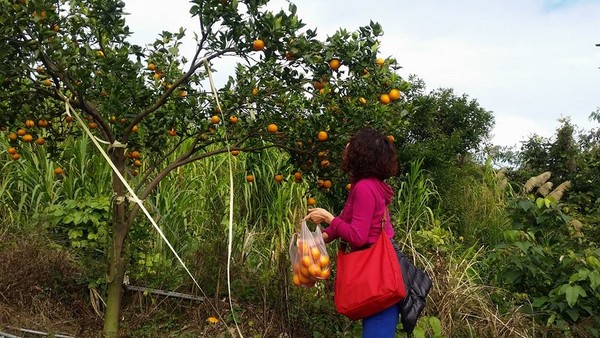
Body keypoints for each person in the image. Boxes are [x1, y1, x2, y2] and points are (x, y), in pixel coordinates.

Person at [304, 127, 399, 338]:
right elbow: (346, 221)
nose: (346, 147)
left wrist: (329, 217)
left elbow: (358, 235)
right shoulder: (369, 184)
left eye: (351, 144)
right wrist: (318, 239)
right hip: (378, 267)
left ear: (361, 153)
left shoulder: (365, 188)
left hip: (375, 271)